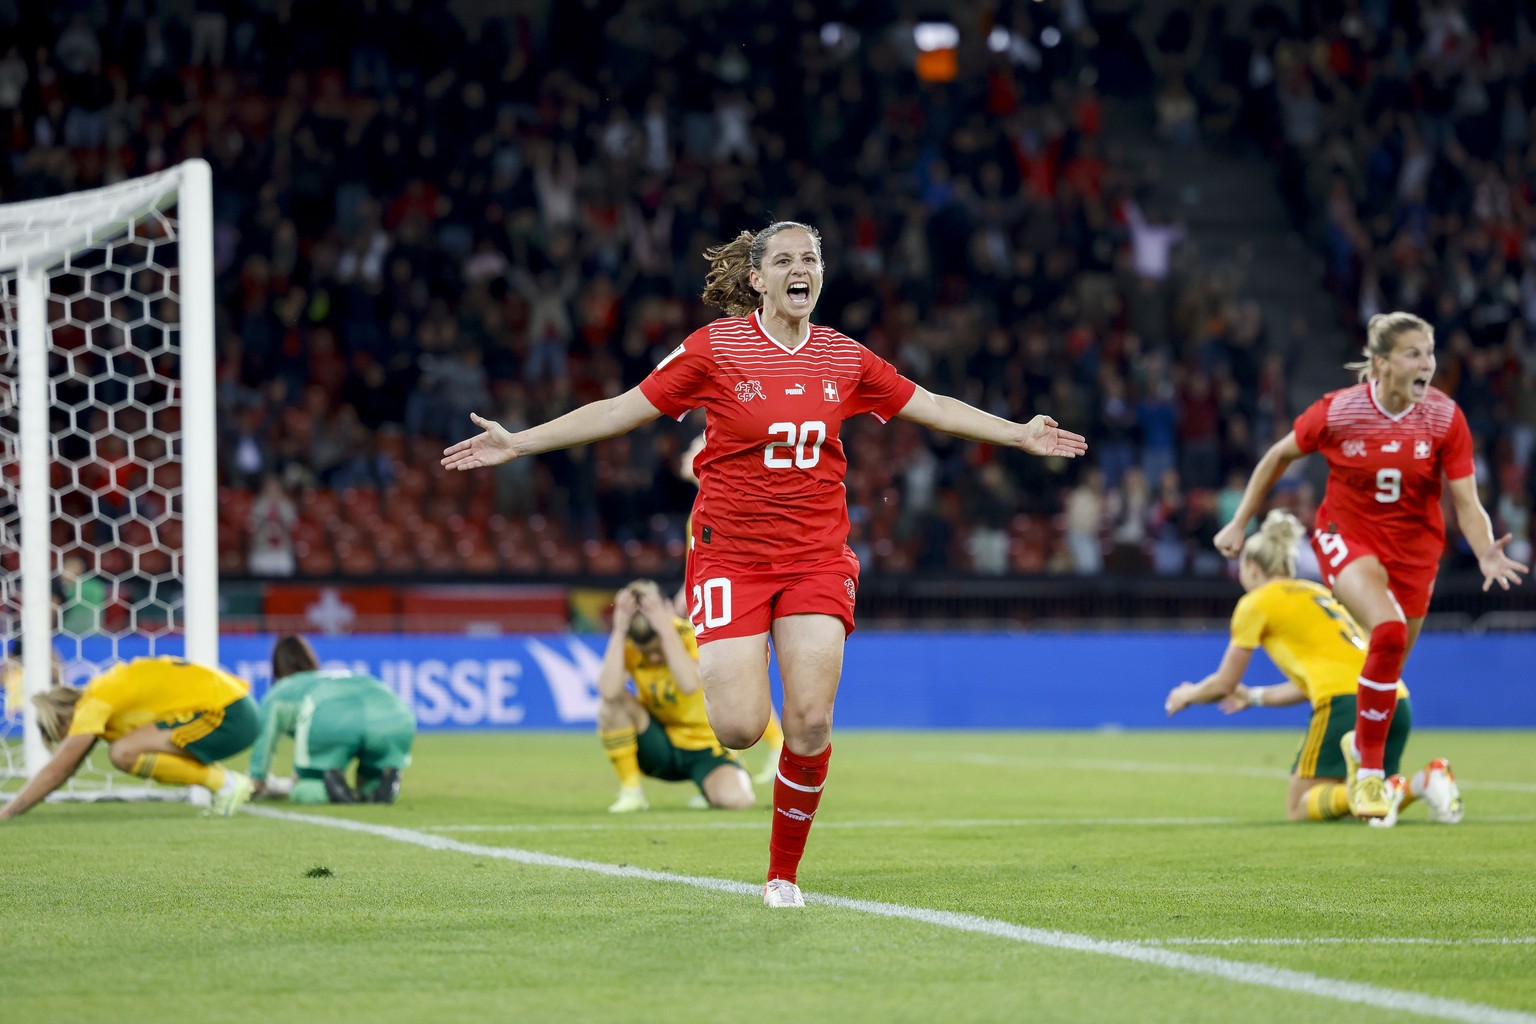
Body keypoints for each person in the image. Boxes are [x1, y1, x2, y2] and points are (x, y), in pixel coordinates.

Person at [443, 220, 1087, 907]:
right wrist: (522, 444)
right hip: (732, 559)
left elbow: (928, 405)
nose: (799, 268)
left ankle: (783, 875)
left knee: (810, 722)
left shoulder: (843, 357)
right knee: (741, 728)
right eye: (783, 259)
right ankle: (754, 797)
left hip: (815, 556)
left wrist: (1017, 432)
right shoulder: (716, 348)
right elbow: (620, 409)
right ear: (757, 279)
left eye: (809, 257)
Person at [1213, 312, 1526, 819]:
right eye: (1414, 354)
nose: (1428, 364)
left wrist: (1487, 548)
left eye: (1429, 353)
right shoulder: (1338, 412)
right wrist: (1239, 522)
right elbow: (1276, 456)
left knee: (1387, 664)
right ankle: (1372, 772)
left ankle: (1382, 755)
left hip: (1416, 554)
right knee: (1388, 630)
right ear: (1381, 362)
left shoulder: (1445, 419)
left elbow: (1467, 503)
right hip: (1346, 537)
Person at [1166, 510, 1463, 826]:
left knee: (1298, 806)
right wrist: (1252, 697)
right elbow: (1317, 679)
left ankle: (1386, 789)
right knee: (1370, 801)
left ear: (1251, 568)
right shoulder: (1318, 592)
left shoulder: (1256, 603)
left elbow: (1224, 683)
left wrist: (1189, 694)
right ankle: (1424, 782)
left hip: (1345, 703)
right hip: (1393, 698)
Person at [0, 654, 258, 820]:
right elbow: (67, 768)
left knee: (124, 752)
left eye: (61, 736)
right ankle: (225, 784)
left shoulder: (94, 703)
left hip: (229, 715)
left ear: (64, 719)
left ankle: (226, 783)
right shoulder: (103, 695)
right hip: (237, 708)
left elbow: (60, 769)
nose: (66, 743)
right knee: (127, 748)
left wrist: (9, 812)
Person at [676, 430, 784, 786]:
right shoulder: (702, 505)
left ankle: (766, 747)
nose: (686, 456)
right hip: (710, 595)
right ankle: (736, 759)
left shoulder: (726, 500)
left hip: (737, 596)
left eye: (694, 449)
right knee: (729, 685)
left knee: (726, 680)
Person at [599, 579, 753, 813]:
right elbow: (608, 692)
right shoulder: (630, 643)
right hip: (662, 744)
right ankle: (632, 792)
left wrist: (666, 629)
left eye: (656, 649)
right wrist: (619, 630)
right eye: (646, 653)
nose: (653, 659)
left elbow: (689, 685)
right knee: (611, 707)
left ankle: (723, 779)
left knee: (737, 802)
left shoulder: (687, 633)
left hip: (705, 746)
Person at [249, 635, 416, 804]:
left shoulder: (280, 691)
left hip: (330, 716)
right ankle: (379, 785)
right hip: (394, 714)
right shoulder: (333, 676)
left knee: (303, 786)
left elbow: (265, 741)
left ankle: (330, 790)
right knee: (371, 775)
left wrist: (257, 779)